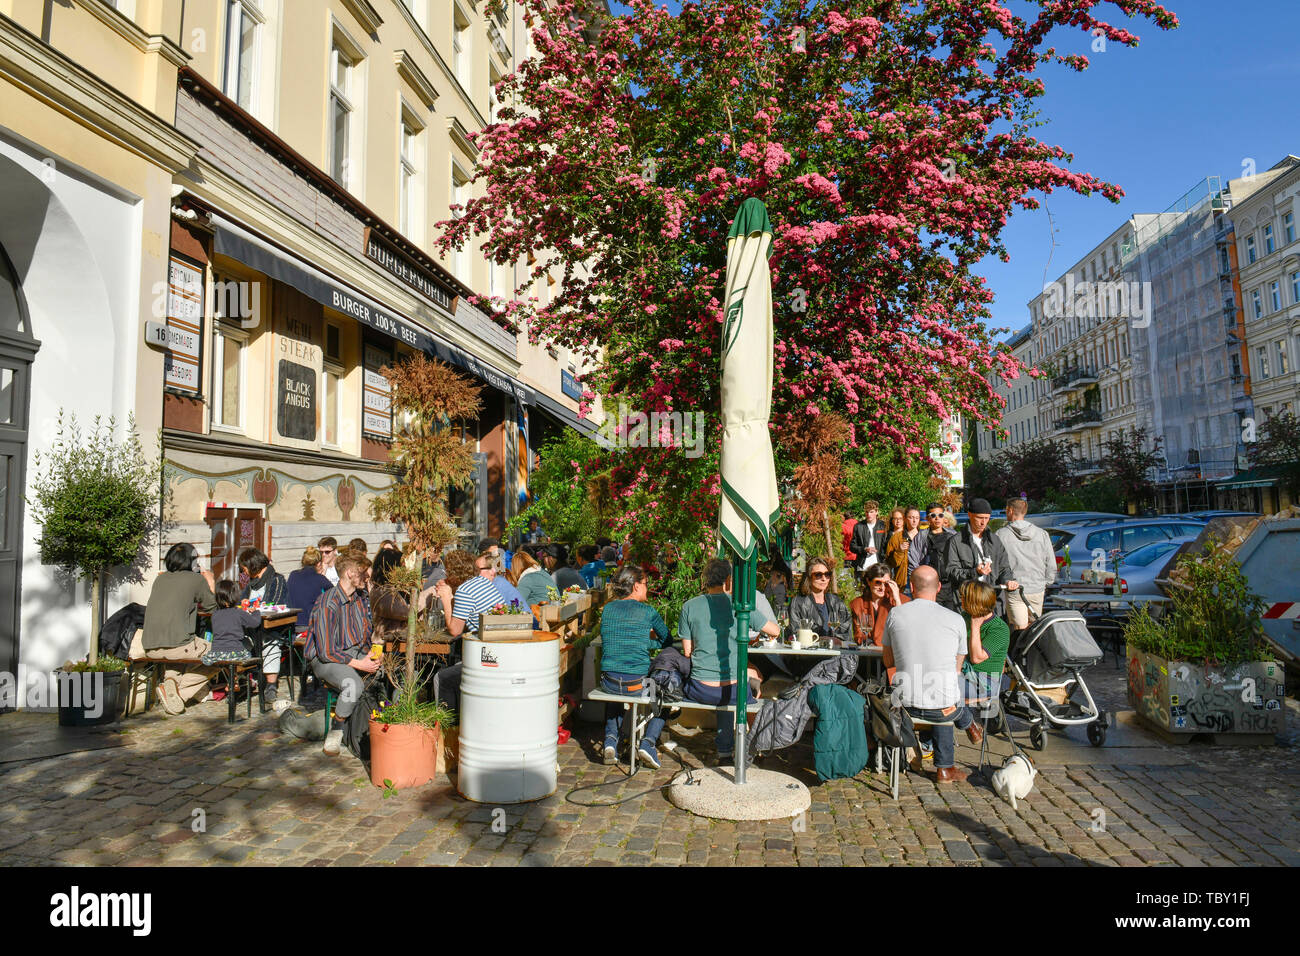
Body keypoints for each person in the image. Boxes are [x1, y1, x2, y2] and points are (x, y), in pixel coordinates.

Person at [881, 566, 982, 784]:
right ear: (938, 587)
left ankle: (948, 760)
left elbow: (888, 661)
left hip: (905, 707)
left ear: (911, 586)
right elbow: (957, 668)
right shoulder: (955, 619)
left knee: (939, 693)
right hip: (944, 711)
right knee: (947, 694)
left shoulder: (895, 614)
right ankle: (945, 768)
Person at [680, 558, 773, 761]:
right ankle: (752, 744)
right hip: (734, 693)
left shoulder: (690, 606)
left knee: (729, 681)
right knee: (747, 681)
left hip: (700, 689)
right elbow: (774, 630)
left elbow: (687, 651)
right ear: (730, 580)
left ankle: (724, 750)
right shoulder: (740, 605)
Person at [304, 550, 380, 754]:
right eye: (363, 573)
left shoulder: (360, 598)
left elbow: (365, 634)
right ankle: (337, 730)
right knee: (352, 684)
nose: (367, 577)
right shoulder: (328, 603)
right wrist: (360, 664)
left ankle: (376, 726)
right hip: (326, 659)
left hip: (354, 652)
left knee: (387, 673)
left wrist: (373, 653)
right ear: (349, 573)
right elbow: (327, 651)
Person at [598, 565, 672, 768]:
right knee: (663, 695)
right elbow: (667, 641)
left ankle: (611, 740)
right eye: (646, 584)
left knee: (615, 692)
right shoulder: (648, 611)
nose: (648, 588)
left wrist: (642, 641)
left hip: (609, 682)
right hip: (638, 684)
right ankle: (648, 743)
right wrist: (649, 642)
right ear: (637, 586)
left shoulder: (608, 610)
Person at [138, 543, 221, 715]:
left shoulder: (160, 579)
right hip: (178, 646)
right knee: (222, 655)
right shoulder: (195, 579)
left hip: (150, 646)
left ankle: (170, 682)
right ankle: (179, 693)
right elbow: (212, 606)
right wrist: (210, 582)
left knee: (177, 651)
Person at [935, 498, 1019, 613]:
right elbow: (951, 572)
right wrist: (975, 572)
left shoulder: (994, 540)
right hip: (967, 602)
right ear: (970, 515)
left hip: (993, 603)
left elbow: (1004, 568)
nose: (983, 522)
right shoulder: (955, 541)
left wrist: (1008, 581)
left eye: (987, 518)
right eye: (980, 518)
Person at [995, 498, 1058, 634]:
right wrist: (1046, 582)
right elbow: (1051, 564)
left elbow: (997, 563)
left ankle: (1020, 655)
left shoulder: (1001, 535)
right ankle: (1032, 655)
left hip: (1015, 587)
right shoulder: (1042, 534)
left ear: (1010, 511)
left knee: (1019, 631)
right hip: (1037, 588)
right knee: (1035, 630)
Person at [238, 547, 289, 707]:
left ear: (252, 564)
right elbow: (242, 601)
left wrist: (257, 608)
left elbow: (276, 602)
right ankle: (242, 681)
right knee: (236, 641)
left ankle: (271, 685)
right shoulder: (251, 584)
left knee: (270, 642)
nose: (243, 571)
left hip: (271, 628)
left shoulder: (277, 579)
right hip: (250, 627)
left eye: (244, 567)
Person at [959, 580, 1011, 718]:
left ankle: (968, 723)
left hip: (985, 681)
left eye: (963, 597)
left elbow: (976, 657)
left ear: (974, 602)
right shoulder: (964, 617)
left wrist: (975, 626)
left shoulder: (999, 628)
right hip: (963, 673)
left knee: (937, 692)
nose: (960, 599)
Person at [850, 563, 907, 681]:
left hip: (893, 658)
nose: (882, 587)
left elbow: (906, 629)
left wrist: (896, 599)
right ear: (868, 581)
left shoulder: (900, 601)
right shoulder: (858, 604)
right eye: (877, 582)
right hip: (868, 658)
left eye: (886, 583)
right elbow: (859, 636)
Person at [370, 548, 438, 645]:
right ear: (391, 568)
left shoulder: (393, 588)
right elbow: (407, 612)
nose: (404, 568)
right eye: (401, 565)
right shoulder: (382, 592)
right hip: (388, 646)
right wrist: (431, 592)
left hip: (401, 643)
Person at [436, 549, 502, 637]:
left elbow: (455, 631)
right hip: (500, 638)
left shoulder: (464, 592)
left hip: (488, 644)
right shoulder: (482, 581)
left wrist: (446, 598)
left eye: (446, 571)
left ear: (451, 573)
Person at [789, 558, 852, 644]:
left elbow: (846, 628)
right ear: (809, 577)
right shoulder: (798, 603)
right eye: (818, 575)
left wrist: (835, 640)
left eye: (827, 574)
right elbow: (795, 634)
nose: (824, 578)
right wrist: (820, 640)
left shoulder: (836, 601)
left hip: (837, 651)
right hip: (810, 652)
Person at [201, 580, 261, 665]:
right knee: (248, 649)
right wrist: (256, 612)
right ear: (235, 596)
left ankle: (231, 676)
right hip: (236, 651)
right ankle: (245, 675)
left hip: (217, 652)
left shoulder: (214, 615)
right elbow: (255, 623)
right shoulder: (238, 612)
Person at [884, 507, 922, 589]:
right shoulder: (896, 538)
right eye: (911, 517)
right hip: (905, 581)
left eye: (917, 518)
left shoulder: (924, 536)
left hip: (923, 579)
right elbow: (890, 563)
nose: (914, 520)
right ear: (905, 519)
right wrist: (899, 551)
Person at [849, 501, 886, 571]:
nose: (868, 514)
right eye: (866, 512)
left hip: (879, 566)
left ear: (876, 512)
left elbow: (887, 545)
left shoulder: (883, 526)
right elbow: (852, 547)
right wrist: (864, 549)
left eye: (871, 512)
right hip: (862, 566)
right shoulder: (858, 526)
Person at [920, 503, 955, 571]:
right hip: (929, 577)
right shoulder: (921, 536)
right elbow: (914, 561)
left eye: (940, 515)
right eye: (933, 515)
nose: (937, 518)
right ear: (927, 518)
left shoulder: (953, 535)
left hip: (950, 578)